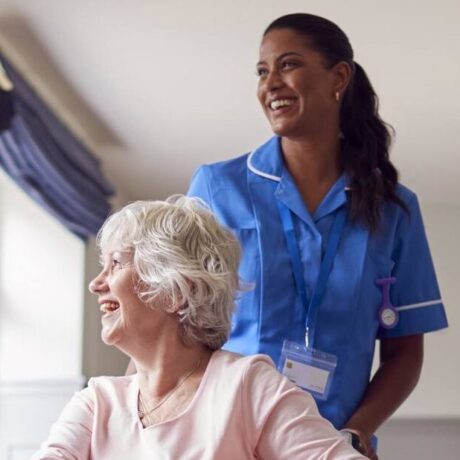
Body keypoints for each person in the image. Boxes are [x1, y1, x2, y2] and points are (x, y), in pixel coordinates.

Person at [187, 13, 448, 459]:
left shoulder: (393, 209)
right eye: (262, 71)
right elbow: (173, 323)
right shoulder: (216, 189)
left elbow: (405, 352)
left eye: (288, 64)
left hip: (332, 446)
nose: (270, 83)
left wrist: (356, 432)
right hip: (225, 440)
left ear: (338, 77)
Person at [33, 196, 366, 460]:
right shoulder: (96, 402)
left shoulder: (247, 387)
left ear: (175, 291)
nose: (96, 284)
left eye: (116, 263)